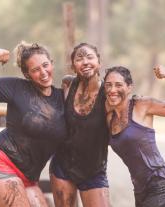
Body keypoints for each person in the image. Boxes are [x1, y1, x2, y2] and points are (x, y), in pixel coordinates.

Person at [0, 42, 67, 207]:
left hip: (28, 177)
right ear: (27, 74)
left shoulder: (63, 98)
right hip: (0, 162)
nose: (43, 73)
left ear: (51, 63)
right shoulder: (16, 88)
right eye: (35, 70)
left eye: (45, 65)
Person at [103, 65, 165, 207]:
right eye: (108, 85)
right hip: (140, 191)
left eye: (118, 85)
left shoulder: (141, 105)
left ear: (129, 87)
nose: (112, 89)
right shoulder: (109, 119)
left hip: (162, 186)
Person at [50, 43, 110, 207]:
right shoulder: (68, 85)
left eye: (90, 57)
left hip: (94, 170)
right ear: (73, 66)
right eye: (79, 59)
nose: (85, 62)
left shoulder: (108, 93)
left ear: (99, 62)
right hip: (62, 167)